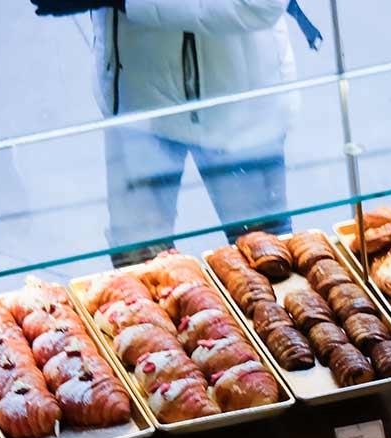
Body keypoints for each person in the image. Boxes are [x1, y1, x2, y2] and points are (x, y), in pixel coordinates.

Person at [32, 0, 321, 264]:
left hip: (236, 109)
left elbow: (259, 4)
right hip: (136, 99)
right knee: (137, 279)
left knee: (269, 265)